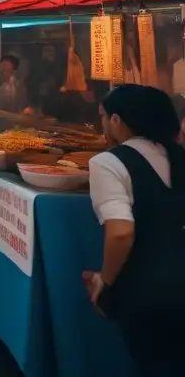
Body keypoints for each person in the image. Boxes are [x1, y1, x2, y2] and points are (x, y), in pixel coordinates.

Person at [85, 85, 185, 376]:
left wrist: (105, 282)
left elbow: (121, 233)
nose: (103, 124)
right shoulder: (179, 156)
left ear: (116, 120)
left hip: (148, 295)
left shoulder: (108, 162)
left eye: (104, 116)